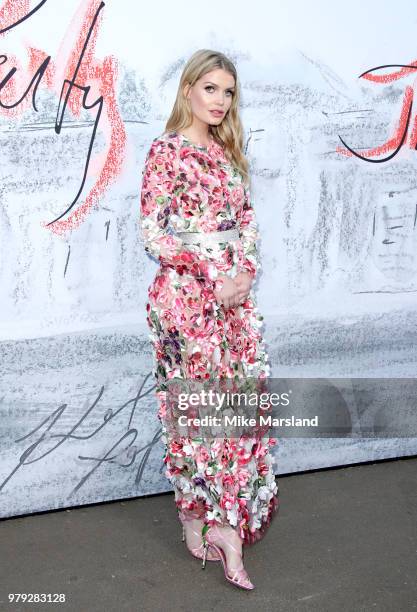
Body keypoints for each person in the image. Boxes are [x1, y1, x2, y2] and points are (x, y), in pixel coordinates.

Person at [139, 49, 279, 591]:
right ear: (188, 90)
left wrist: (244, 271)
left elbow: (246, 223)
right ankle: (214, 523)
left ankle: (209, 518)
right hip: (184, 300)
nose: (220, 101)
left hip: (234, 299)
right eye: (210, 89)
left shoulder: (227, 151)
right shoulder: (167, 151)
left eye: (228, 91)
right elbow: (154, 233)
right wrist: (208, 271)